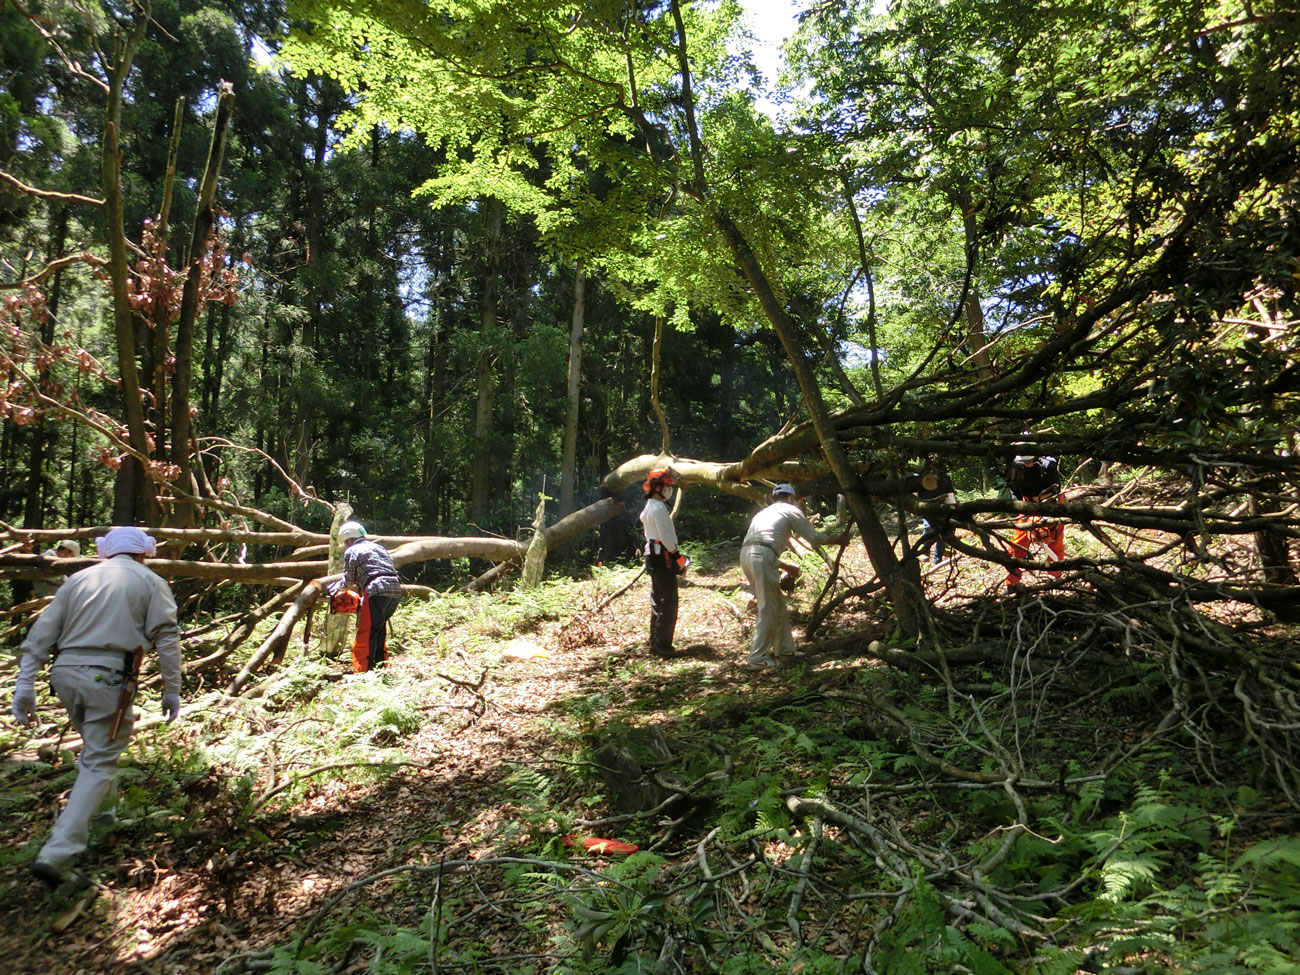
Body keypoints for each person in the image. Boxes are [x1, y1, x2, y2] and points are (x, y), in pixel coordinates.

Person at [9, 526, 181, 889]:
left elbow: (39, 637)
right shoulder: (151, 582)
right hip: (109, 678)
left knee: (96, 750)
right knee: (100, 758)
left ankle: (106, 819)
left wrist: (25, 685)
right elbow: (166, 637)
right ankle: (57, 854)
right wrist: (172, 690)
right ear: (143, 553)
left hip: (65, 674)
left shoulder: (76, 581)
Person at [739, 484, 850, 671]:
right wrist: (839, 539)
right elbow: (813, 538)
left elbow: (761, 545)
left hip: (747, 555)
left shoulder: (764, 513)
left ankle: (785, 650)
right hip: (761, 556)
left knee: (777, 604)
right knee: (768, 607)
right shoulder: (790, 509)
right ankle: (757, 657)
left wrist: (785, 566)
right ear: (792, 498)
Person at [331, 521, 401, 672]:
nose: (345, 545)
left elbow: (348, 581)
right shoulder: (378, 547)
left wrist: (334, 589)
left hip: (376, 588)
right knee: (378, 628)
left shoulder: (352, 551)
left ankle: (363, 670)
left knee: (366, 631)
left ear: (348, 539)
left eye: (345, 542)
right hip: (395, 589)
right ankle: (380, 667)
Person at [638, 467, 686, 657]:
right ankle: (662, 645)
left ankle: (655, 640)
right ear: (657, 487)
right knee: (668, 600)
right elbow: (665, 536)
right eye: (666, 485)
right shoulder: (657, 508)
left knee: (658, 598)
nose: (669, 489)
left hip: (654, 555)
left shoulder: (650, 506)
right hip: (662, 555)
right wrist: (678, 558)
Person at [1005, 451, 1065, 587]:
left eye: (1030, 461)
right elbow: (1014, 491)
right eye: (1025, 462)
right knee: (1018, 544)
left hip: (1051, 502)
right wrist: (1021, 508)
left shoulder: (1048, 465)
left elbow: (1056, 489)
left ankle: (1056, 579)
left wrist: (1047, 516)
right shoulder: (1013, 467)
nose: (1028, 464)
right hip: (1027, 504)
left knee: (1055, 540)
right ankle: (1012, 582)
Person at [915, 466, 956, 564]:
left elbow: (949, 493)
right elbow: (914, 493)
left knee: (942, 530)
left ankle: (938, 558)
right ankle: (924, 553)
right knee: (929, 528)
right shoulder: (919, 476)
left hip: (941, 507)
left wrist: (953, 507)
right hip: (925, 507)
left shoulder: (945, 477)